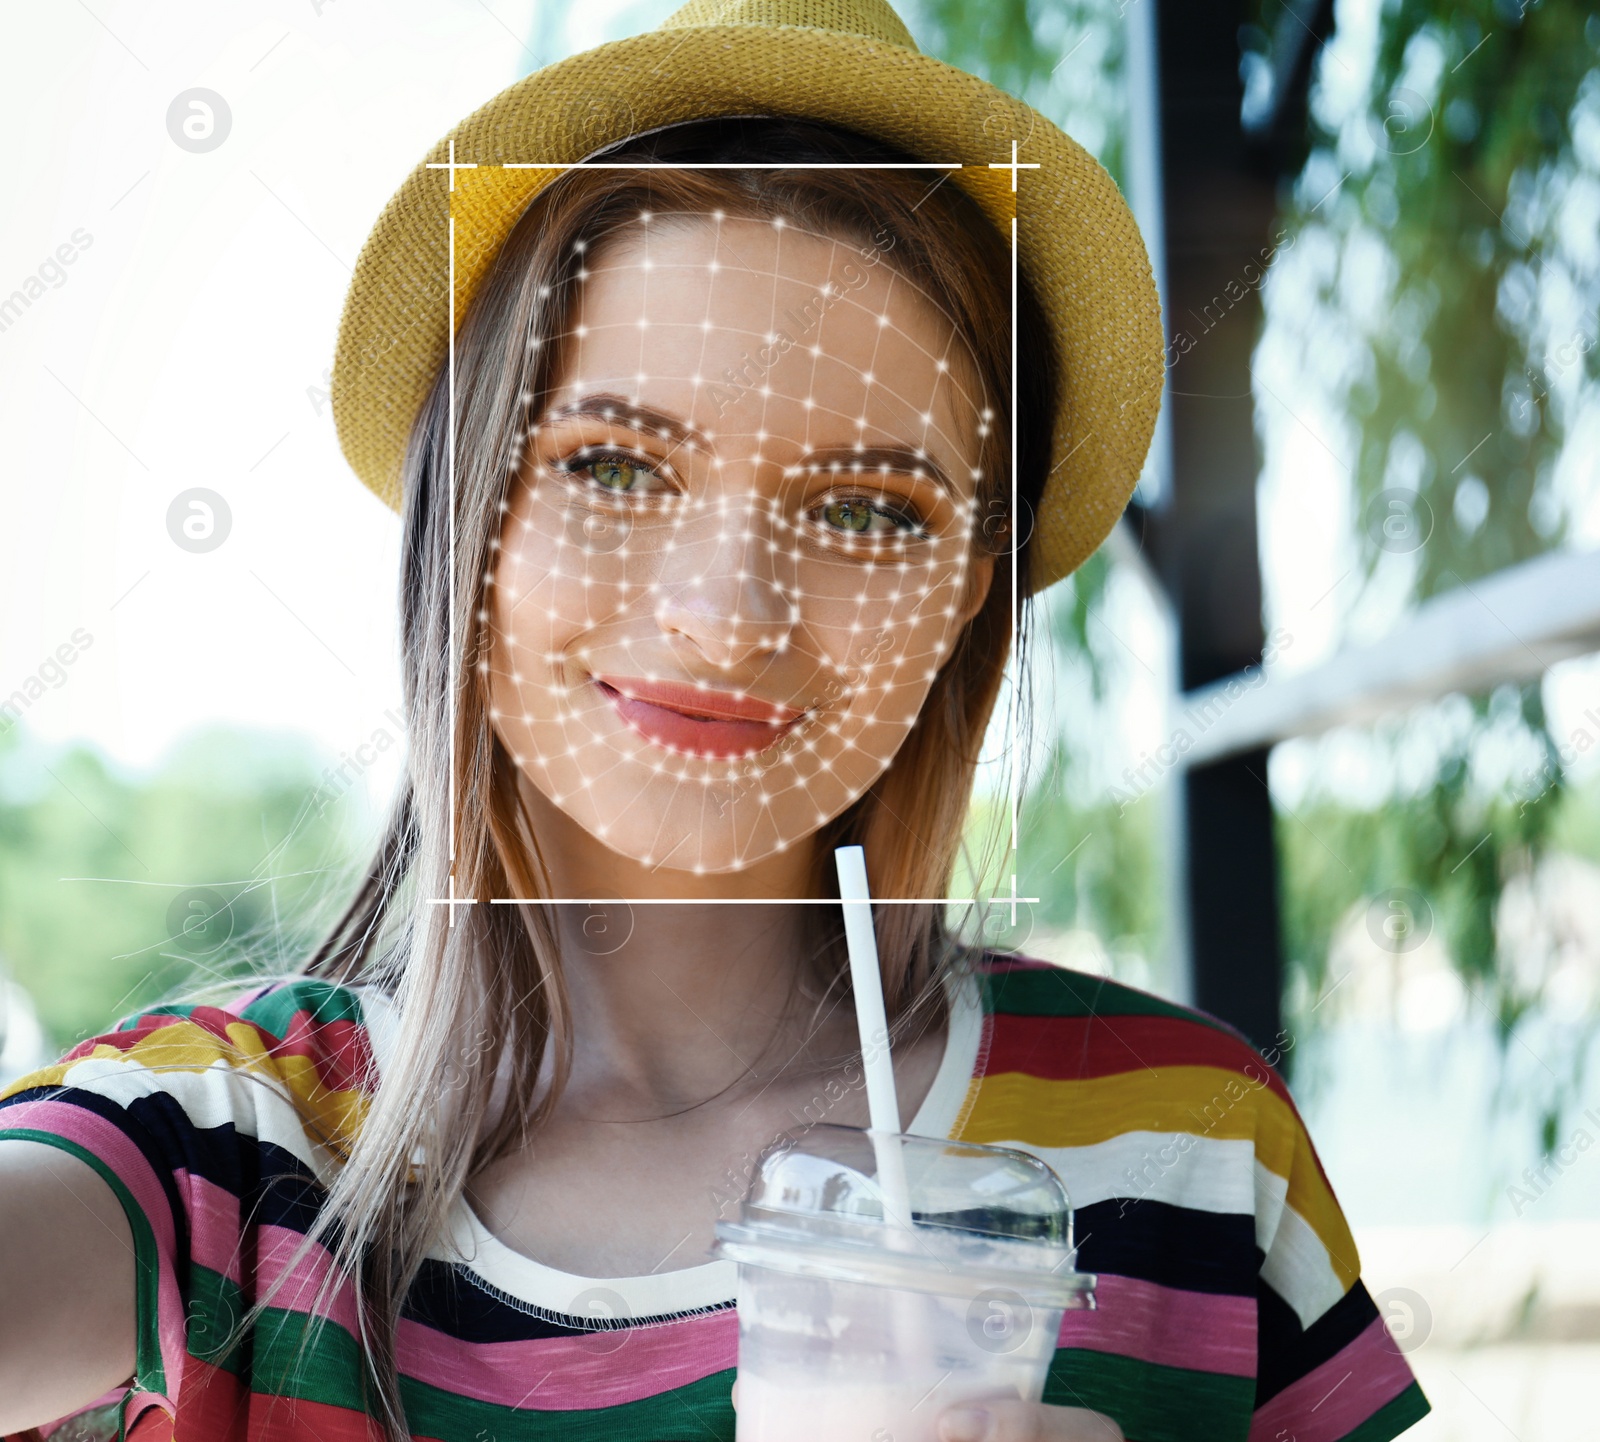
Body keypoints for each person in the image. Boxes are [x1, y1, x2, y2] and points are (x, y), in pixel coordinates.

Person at [0, 2, 1430, 1440]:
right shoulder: (213, 1158)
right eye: (616, 466)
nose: (728, 609)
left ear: (965, 608)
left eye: (871, 509)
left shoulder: (1192, 1152)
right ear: (469, 520)